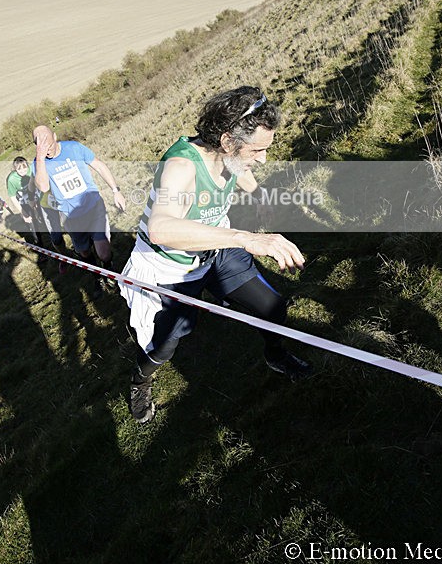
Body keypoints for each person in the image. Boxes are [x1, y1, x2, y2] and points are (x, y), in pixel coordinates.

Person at [119, 85, 313, 424]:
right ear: (226, 141)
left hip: (216, 252)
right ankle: (140, 382)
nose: (263, 158)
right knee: (164, 345)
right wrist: (244, 237)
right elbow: (161, 228)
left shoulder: (229, 154)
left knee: (272, 307)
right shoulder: (181, 166)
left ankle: (275, 354)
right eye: (257, 150)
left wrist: (262, 198)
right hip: (170, 267)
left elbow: (242, 172)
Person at [31, 125, 126, 296]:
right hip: (70, 216)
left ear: (55, 136)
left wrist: (115, 190)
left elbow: (99, 165)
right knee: (84, 251)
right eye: (40, 144)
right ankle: (96, 276)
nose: (47, 149)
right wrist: (40, 157)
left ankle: (109, 271)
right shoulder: (38, 163)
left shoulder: (73, 148)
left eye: (48, 143)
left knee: (104, 253)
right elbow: (44, 186)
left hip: (93, 207)